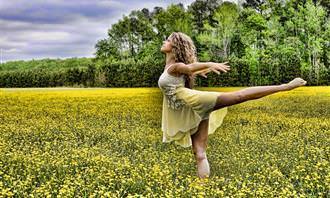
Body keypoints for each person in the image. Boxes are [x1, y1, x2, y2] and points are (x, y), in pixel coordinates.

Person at [157, 32, 307, 179]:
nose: (164, 41)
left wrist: (208, 64)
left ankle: (285, 86)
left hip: (194, 101)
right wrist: (201, 70)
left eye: (168, 40)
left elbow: (188, 68)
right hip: (190, 110)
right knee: (199, 152)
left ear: (175, 46)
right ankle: (203, 189)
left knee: (239, 96)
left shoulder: (175, 66)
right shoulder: (170, 67)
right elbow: (186, 72)